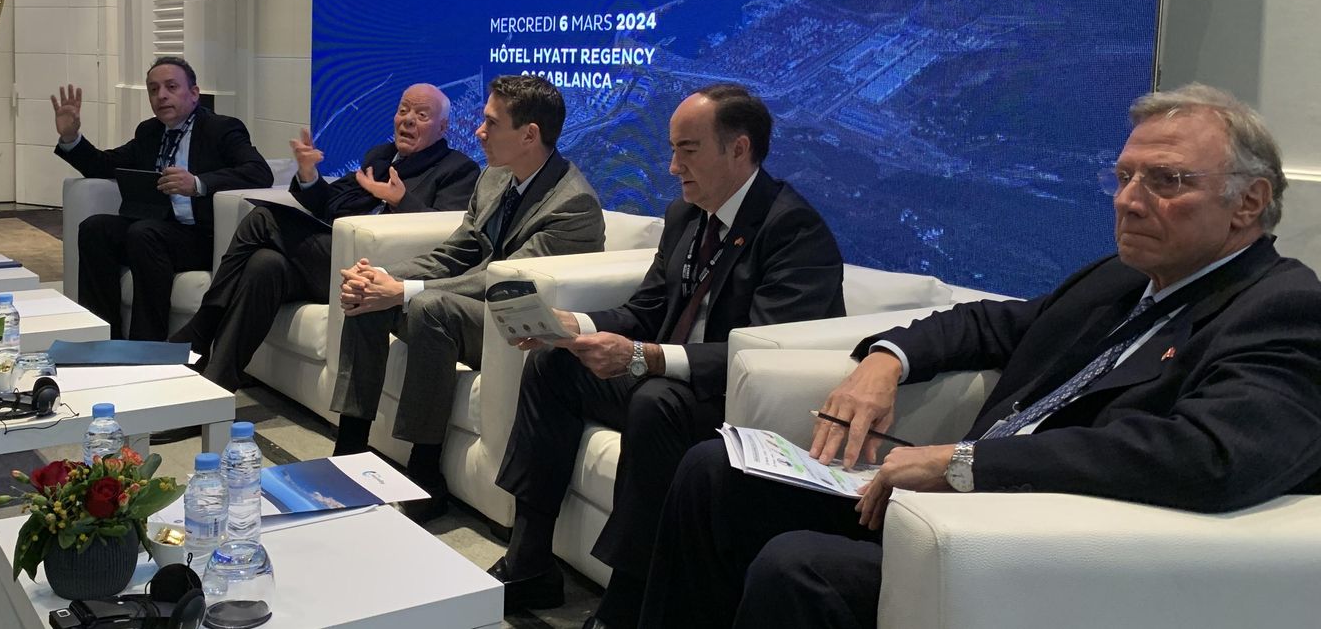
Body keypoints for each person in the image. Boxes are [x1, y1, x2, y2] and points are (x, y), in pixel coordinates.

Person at [640, 83, 1321, 629]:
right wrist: (886, 361)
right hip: (958, 502)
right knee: (716, 469)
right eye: (1123, 177)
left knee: (799, 566)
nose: (1128, 202)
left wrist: (963, 463)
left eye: (1165, 182)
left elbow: (1209, 455)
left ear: (1248, 204)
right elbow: (989, 324)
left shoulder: (1280, 307)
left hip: (1039, 539)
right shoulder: (1121, 278)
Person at [488, 83, 848, 627]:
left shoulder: (793, 230)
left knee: (655, 401)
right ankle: (530, 559)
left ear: (740, 149)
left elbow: (767, 357)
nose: (672, 165)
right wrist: (571, 326)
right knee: (553, 365)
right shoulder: (685, 217)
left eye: (688, 150)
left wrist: (646, 358)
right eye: (671, 149)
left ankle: (631, 598)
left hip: (737, 403)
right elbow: (644, 311)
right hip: (666, 378)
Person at [329, 75, 605, 520]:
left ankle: (425, 475)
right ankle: (350, 449)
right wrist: (384, 276)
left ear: (529, 135)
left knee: (427, 305)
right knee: (370, 292)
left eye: (491, 123)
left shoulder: (572, 205)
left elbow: (504, 282)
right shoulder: (496, 178)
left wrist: (405, 290)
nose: (479, 132)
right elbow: (457, 252)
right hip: (474, 307)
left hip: (516, 323)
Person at [169, 83, 480, 392]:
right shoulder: (381, 156)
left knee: (263, 218)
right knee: (264, 265)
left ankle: (204, 322)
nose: (408, 119)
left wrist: (401, 201)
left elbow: (446, 238)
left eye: (421, 115)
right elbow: (330, 204)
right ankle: (216, 385)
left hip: (378, 273)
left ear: (442, 127)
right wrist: (308, 174)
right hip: (332, 258)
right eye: (403, 111)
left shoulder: (458, 169)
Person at [52, 57, 272, 341]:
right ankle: (101, 338)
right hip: (155, 230)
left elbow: (259, 172)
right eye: (154, 90)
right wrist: (71, 137)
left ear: (194, 93)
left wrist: (198, 183)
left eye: (171, 87)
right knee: (96, 228)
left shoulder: (222, 129)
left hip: (202, 237)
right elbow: (106, 165)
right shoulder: (150, 132)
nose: (161, 96)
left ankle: (148, 346)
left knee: (144, 233)